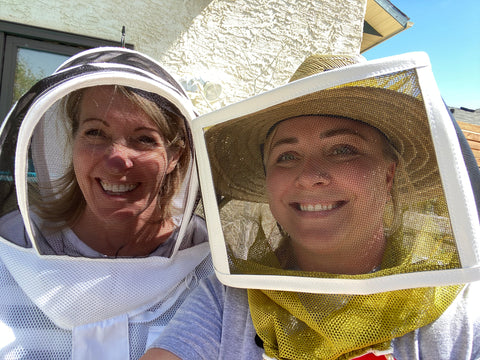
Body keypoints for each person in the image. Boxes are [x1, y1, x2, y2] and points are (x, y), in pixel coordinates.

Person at [141, 53, 480, 360]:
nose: (309, 177)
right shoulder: (227, 301)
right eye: (287, 156)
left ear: (388, 174)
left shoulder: (461, 311)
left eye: (343, 149)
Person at [0, 47, 212, 359]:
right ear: (73, 144)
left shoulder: (210, 267)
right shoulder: (11, 252)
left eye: (143, 139)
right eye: (96, 132)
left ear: (175, 156)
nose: (116, 161)